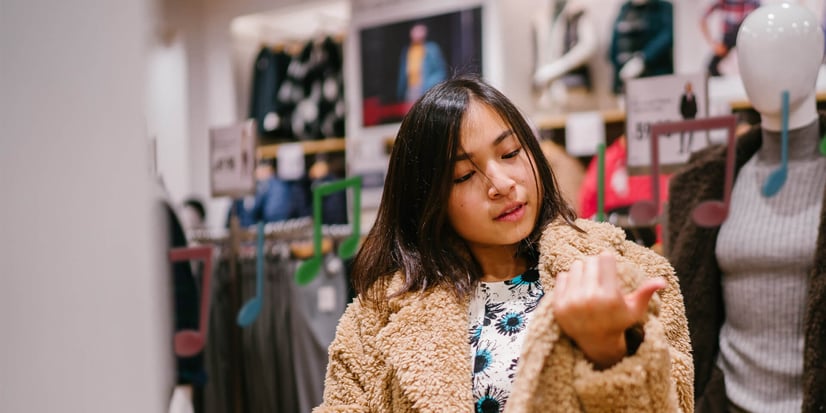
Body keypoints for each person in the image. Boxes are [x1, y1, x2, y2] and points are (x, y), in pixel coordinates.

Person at [315, 75, 693, 412]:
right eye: (463, 175)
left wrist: (608, 353)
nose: (501, 184)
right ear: (427, 199)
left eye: (510, 153)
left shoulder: (629, 273)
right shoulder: (378, 315)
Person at [667, 3, 826, 412]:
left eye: (785, 51)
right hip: (726, 401)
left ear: (817, 57)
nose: (764, 69)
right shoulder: (705, 180)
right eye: (752, 54)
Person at [608, 0, 674, 94]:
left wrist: (643, 59)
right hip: (625, 78)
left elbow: (667, 35)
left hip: (654, 76)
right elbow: (615, 42)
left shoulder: (662, 7)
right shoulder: (625, 8)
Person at [700, 0, 760, 77]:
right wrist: (713, 44)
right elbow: (703, 18)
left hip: (746, 36)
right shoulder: (724, 2)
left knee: (755, 66)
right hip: (729, 37)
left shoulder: (753, 2)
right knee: (711, 67)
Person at [396, 23, 447, 103]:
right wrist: (400, 91)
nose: (417, 33)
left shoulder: (432, 49)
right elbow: (402, 72)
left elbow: (440, 70)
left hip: (426, 87)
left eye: (420, 31)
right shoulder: (407, 50)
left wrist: (431, 85)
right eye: (415, 31)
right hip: (411, 88)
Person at [679, 81, 699, 153]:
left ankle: (689, 147)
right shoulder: (684, 97)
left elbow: (695, 107)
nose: (689, 89)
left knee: (691, 133)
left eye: (690, 87)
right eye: (688, 87)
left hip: (692, 117)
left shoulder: (693, 96)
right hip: (685, 117)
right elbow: (681, 107)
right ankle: (682, 147)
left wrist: (694, 114)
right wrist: (684, 115)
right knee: (683, 132)